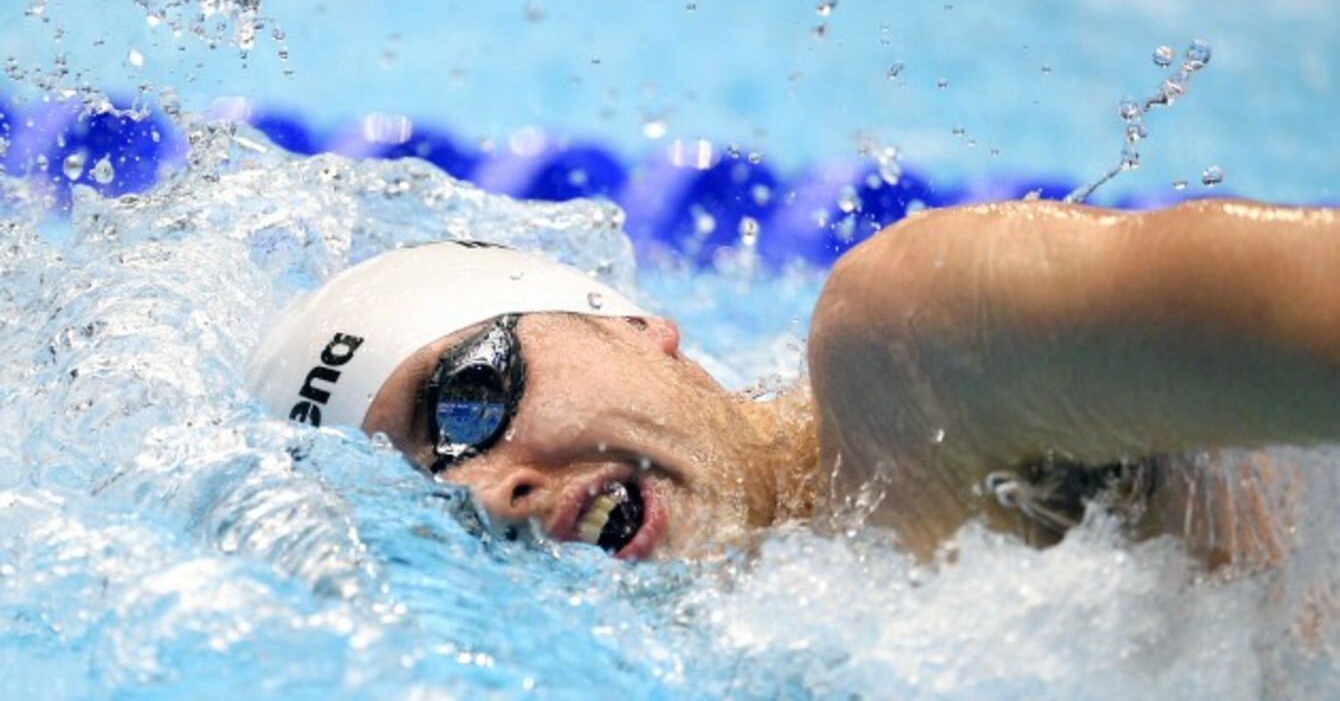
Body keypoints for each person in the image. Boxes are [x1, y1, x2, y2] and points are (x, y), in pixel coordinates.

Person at [246, 199, 1340, 568]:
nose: (490, 491)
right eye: (430, 490)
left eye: (469, 398)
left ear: (629, 325)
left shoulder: (916, 352)